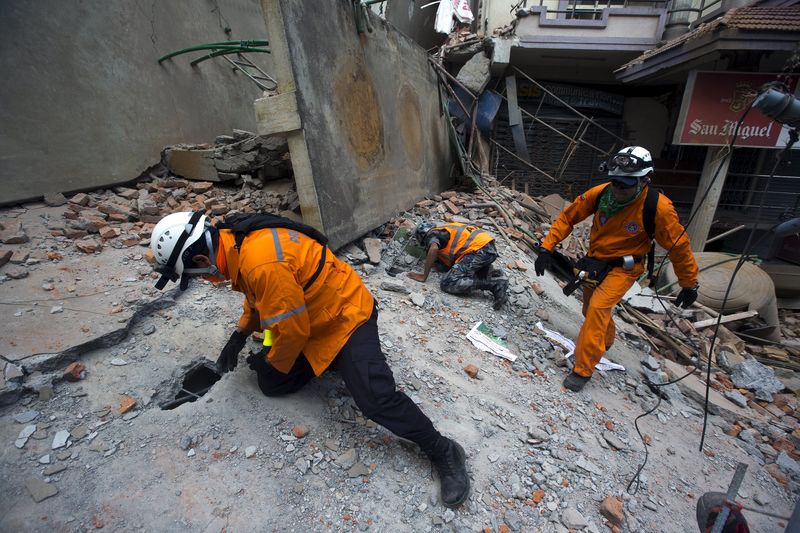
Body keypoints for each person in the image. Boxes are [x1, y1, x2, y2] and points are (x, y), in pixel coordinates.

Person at [149, 211, 470, 508]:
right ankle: (331, 362)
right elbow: (258, 297)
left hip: (345, 315)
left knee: (374, 400)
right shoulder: (235, 242)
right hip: (312, 317)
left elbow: (292, 328)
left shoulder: (259, 262)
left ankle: (443, 449)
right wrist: (241, 333)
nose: (205, 280)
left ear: (202, 259)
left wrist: (272, 359)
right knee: (271, 383)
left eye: (198, 275)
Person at [534, 146, 699, 392]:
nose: (619, 189)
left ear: (644, 180)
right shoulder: (601, 194)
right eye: (616, 183)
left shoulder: (659, 209)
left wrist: (688, 282)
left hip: (625, 268)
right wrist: (547, 248)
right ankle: (606, 339)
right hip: (595, 263)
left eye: (626, 184)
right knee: (590, 308)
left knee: (599, 307)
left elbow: (679, 248)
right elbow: (568, 217)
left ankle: (582, 369)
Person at [408, 221, 508, 309]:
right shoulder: (447, 229)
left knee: (448, 282)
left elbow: (433, 248)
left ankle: (495, 285)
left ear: (422, 236)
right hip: (488, 248)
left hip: (478, 251)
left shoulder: (432, 235)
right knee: (463, 273)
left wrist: (424, 276)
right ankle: (489, 273)